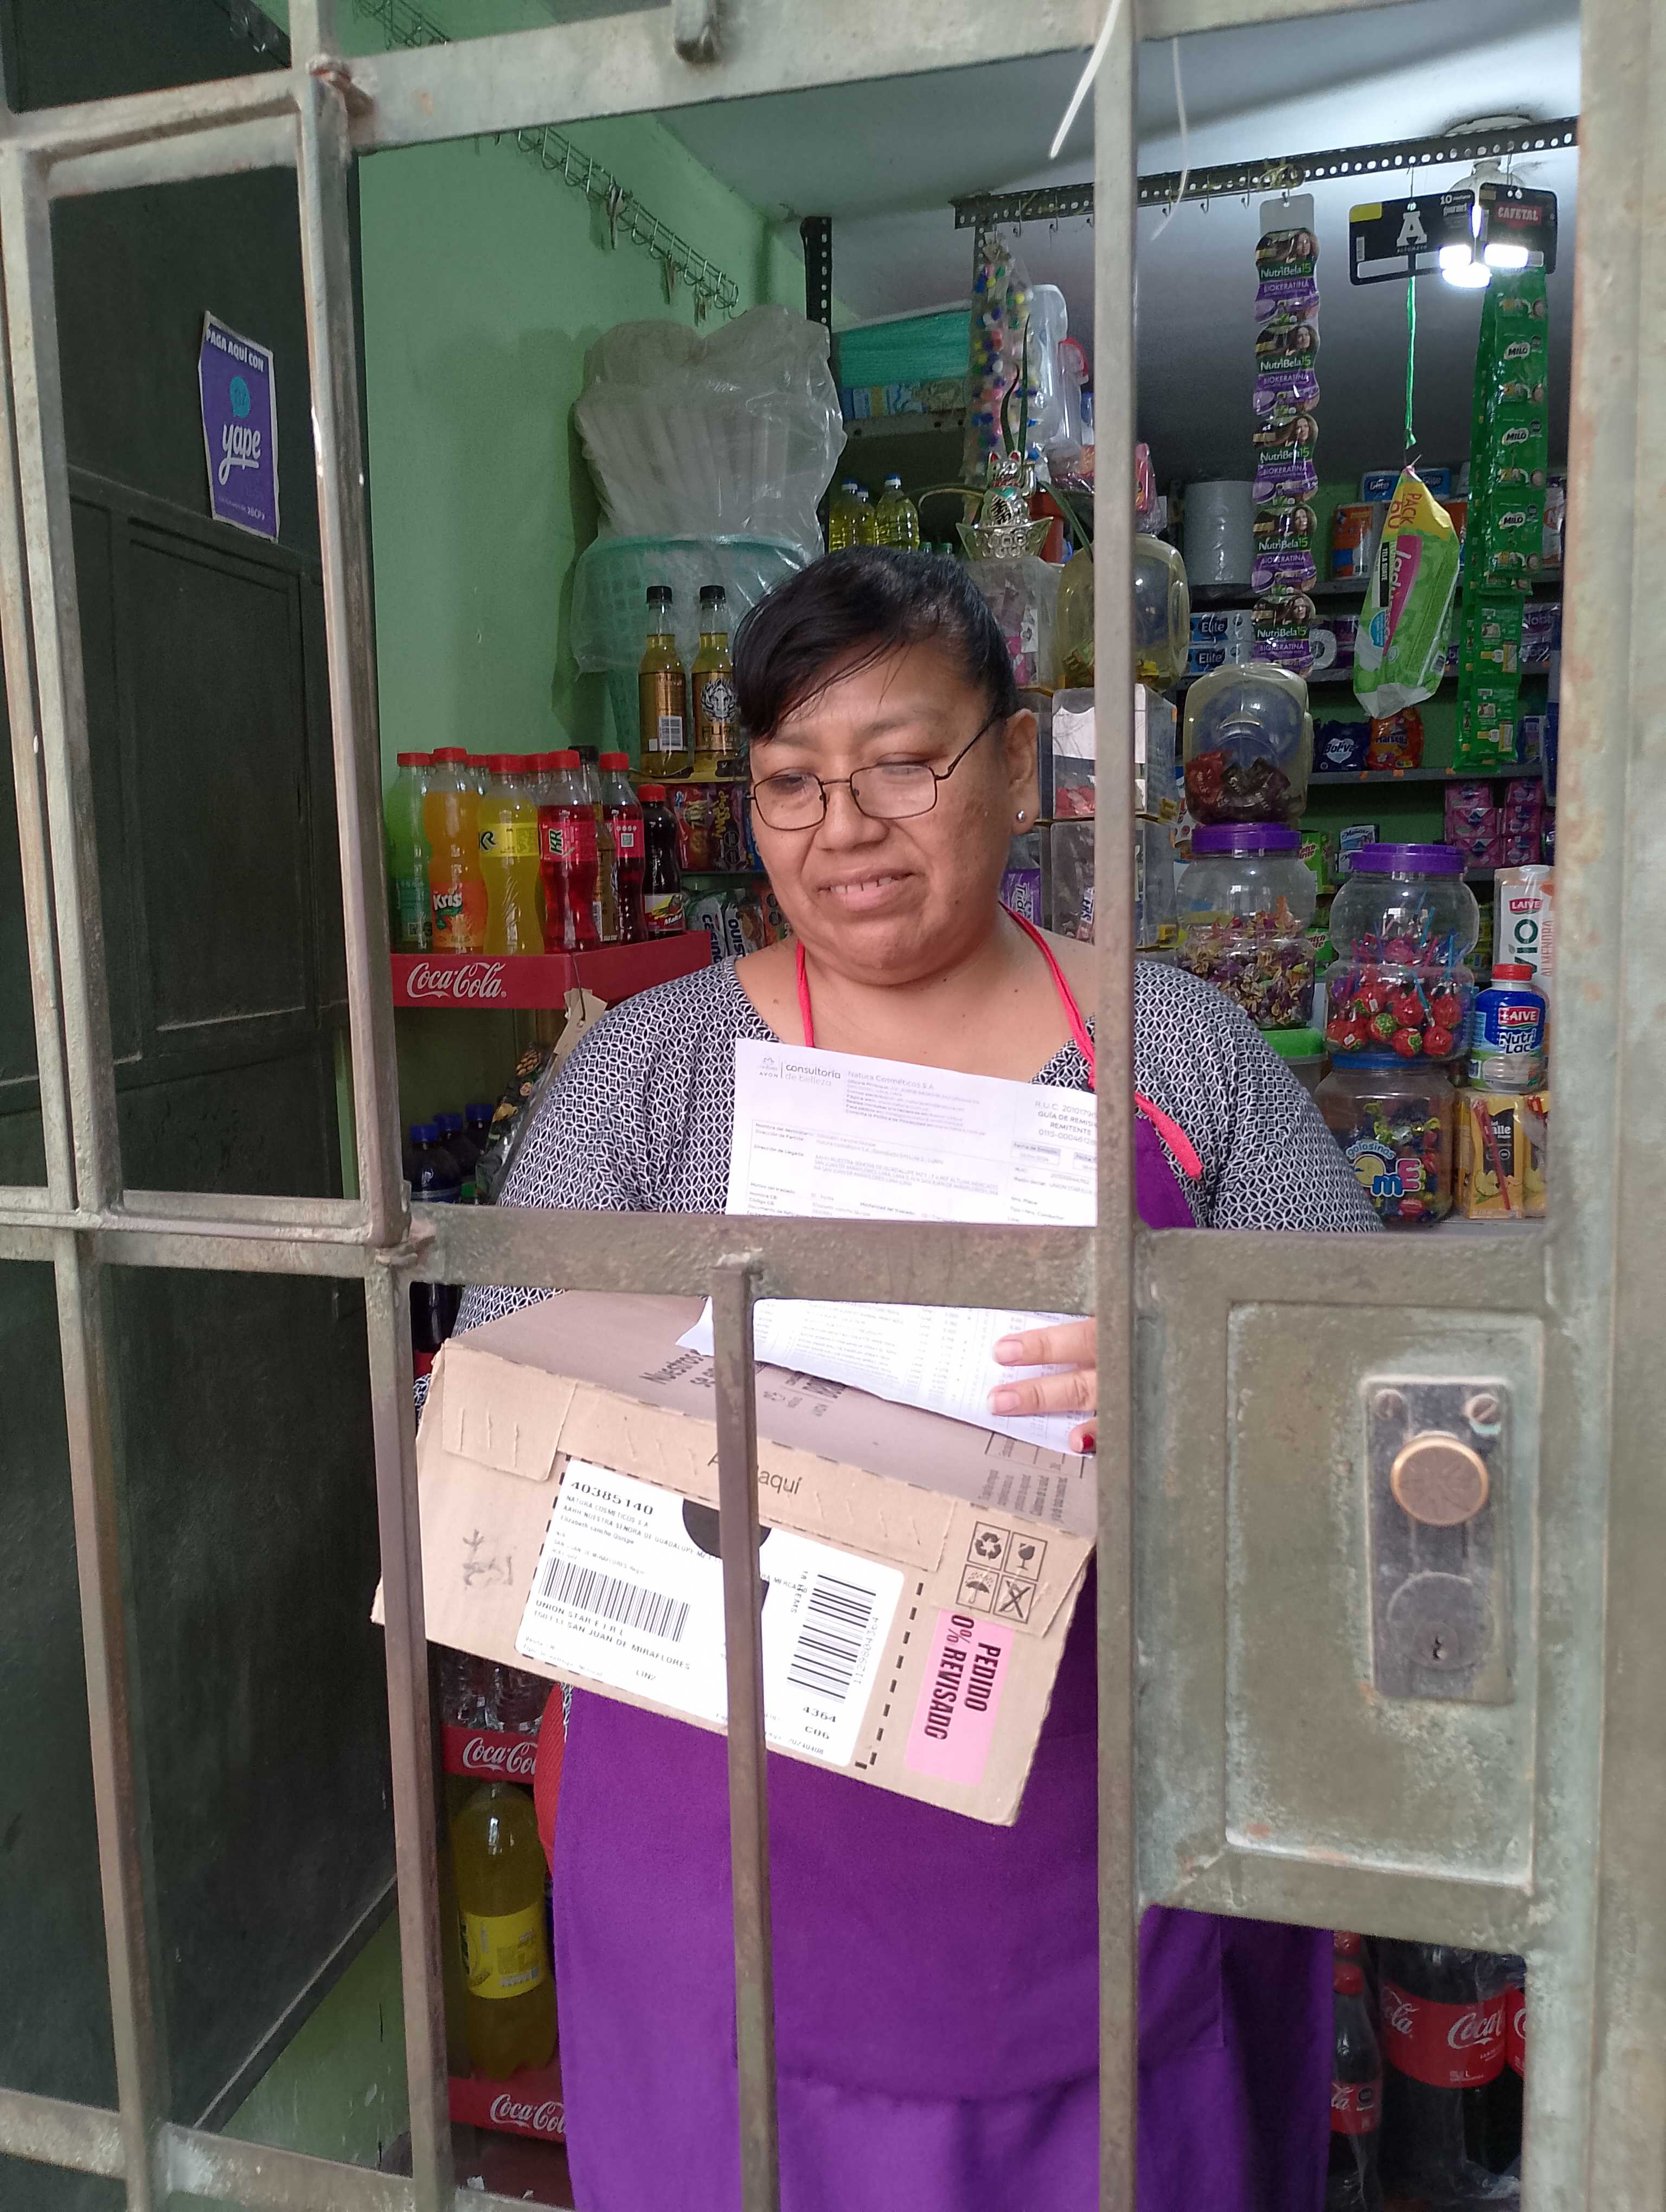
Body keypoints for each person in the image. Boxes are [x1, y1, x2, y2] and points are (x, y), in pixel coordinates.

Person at [439, 548, 1379, 2210]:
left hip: (1094, 1865)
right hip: (724, 1881)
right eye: (791, 782)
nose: (845, 828)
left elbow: (1373, 1408)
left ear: (1013, 765)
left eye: (901, 764)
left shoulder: (1175, 1053)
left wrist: (1202, 1396)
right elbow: (491, 1433)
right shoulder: (653, 1077)